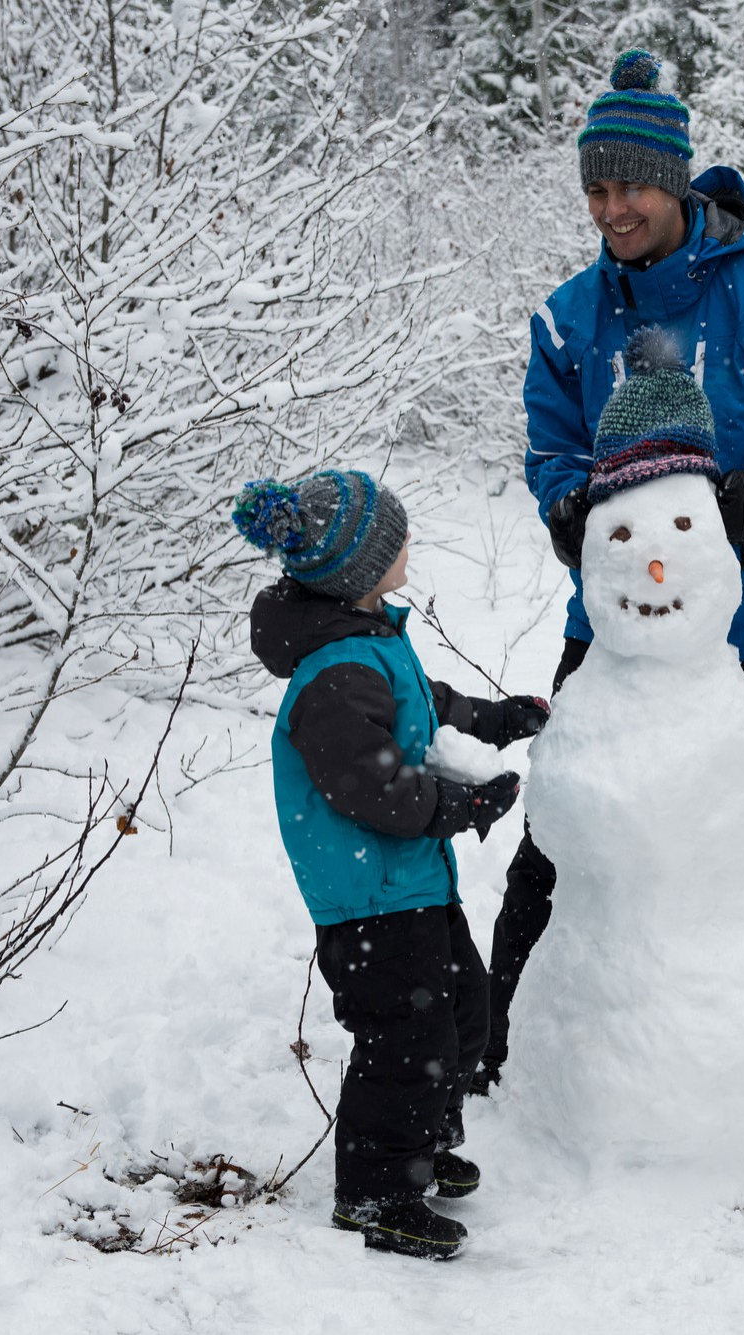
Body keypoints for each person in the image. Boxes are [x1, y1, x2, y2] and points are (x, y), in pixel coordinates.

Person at [477, 48, 744, 1093]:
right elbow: (551, 447)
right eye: (595, 189)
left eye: (630, 186)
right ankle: (495, 1046)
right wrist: (568, 510)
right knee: (565, 836)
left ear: (677, 180)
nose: (611, 208)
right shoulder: (570, 317)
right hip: (614, 633)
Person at [234, 468, 548, 1261]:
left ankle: (421, 1143)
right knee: (406, 1036)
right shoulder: (334, 673)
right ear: (362, 566)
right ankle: (376, 1191)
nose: (409, 540)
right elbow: (369, 785)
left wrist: (496, 719)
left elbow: (427, 703)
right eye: (396, 534)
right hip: (370, 897)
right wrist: (462, 808)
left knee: (462, 1012)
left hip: (410, 879)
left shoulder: (370, 639)